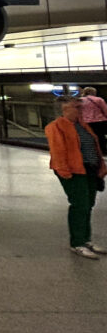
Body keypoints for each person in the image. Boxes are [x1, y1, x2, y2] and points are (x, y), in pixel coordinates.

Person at [45, 96, 107, 259]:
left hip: (89, 169)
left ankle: (85, 239)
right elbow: (58, 151)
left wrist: (101, 166)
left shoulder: (83, 125)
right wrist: (65, 172)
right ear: (64, 109)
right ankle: (77, 242)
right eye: (76, 107)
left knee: (88, 204)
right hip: (74, 171)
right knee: (80, 204)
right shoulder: (56, 127)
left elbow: (94, 146)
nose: (81, 110)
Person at [79, 86, 107, 152]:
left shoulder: (79, 100)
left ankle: (90, 151)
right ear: (93, 92)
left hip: (85, 121)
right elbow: (105, 110)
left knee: (88, 136)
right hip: (99, 121)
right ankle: (102, 150)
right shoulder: (99, 100)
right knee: (100, 136)